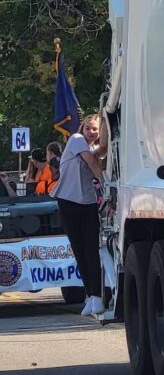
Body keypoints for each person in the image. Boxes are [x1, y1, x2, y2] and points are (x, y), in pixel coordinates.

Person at [51, 113, 105, 316]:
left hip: (88, 203)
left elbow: (102, 151)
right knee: (79, 250)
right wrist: (105, 184)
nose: (91, 132)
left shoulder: (95, 149)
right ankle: (90, 296)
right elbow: (92, 163)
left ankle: (97, 296)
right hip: (67, 201)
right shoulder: (76, 140)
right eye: (88, 128)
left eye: (96, 130)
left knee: (91, 249)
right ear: (82, 128)